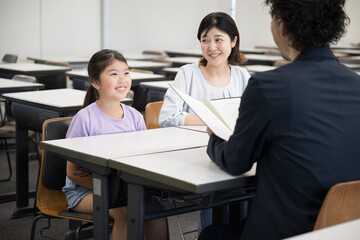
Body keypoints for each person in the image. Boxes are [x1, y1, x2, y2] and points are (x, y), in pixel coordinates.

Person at [199, 0, 360, 240]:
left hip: (286, 230)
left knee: (213, 235)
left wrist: (214, 139)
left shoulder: (268, 86)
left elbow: (236, 162)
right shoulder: (356, 84)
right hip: (345, 229)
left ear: (282, 26)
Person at [159, 12, 251, 234]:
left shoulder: (243, 76)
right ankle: (208, 233)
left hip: (232, 152)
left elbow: (250, 118)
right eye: (205, 40)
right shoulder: (188, 73)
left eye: (218, 39)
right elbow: (167, 118)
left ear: (234, 40)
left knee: (249, 190)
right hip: (194, 156)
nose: (212, 47)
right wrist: (212, 121)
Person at [62, 49, 167, 240]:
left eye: (126, 73)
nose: (123, 79)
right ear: (95, 82)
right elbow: (71, 172)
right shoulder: (85, 119)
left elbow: (143, 158)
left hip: (127, 187)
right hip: (85, 191)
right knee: (124, 213)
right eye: (114, 74)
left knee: (155, 211)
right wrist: (112, 189)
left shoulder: (135, 116)